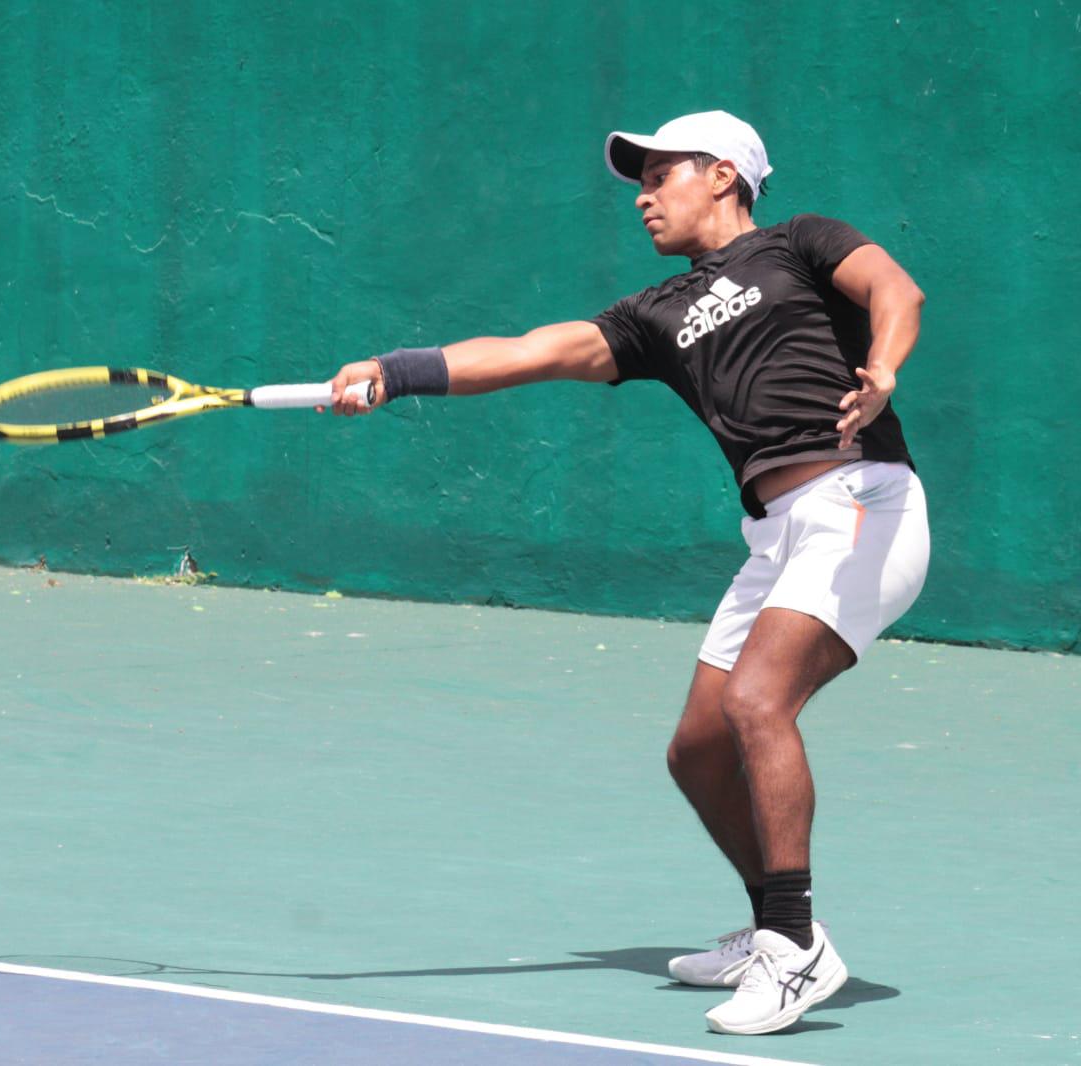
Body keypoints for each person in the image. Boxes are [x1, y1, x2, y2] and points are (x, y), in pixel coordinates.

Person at [320, 110, 930, 1037]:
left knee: (759, 703)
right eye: (638, 179)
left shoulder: (802, 245)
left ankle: (799, 950)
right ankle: (772, 924)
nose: (643, 194)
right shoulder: (658, 316)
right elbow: (534, 350)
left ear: (722, 174)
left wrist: (881, 367)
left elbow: (897, 289)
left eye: (661, 173)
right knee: (696, 749)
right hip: (778, 536)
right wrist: (395, 370)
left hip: (862, 500)